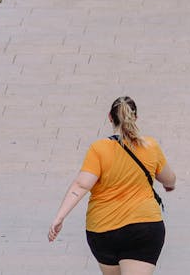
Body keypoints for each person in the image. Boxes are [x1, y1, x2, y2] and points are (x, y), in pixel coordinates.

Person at [49, 97, 177, 275]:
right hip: (143, 228)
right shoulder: (150, 146)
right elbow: (169, 179)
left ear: (110, 117)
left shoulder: (99, 149)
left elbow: (80, 185)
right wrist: (169, 186)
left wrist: (59, 217)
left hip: (103, 230)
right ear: (136, 117)